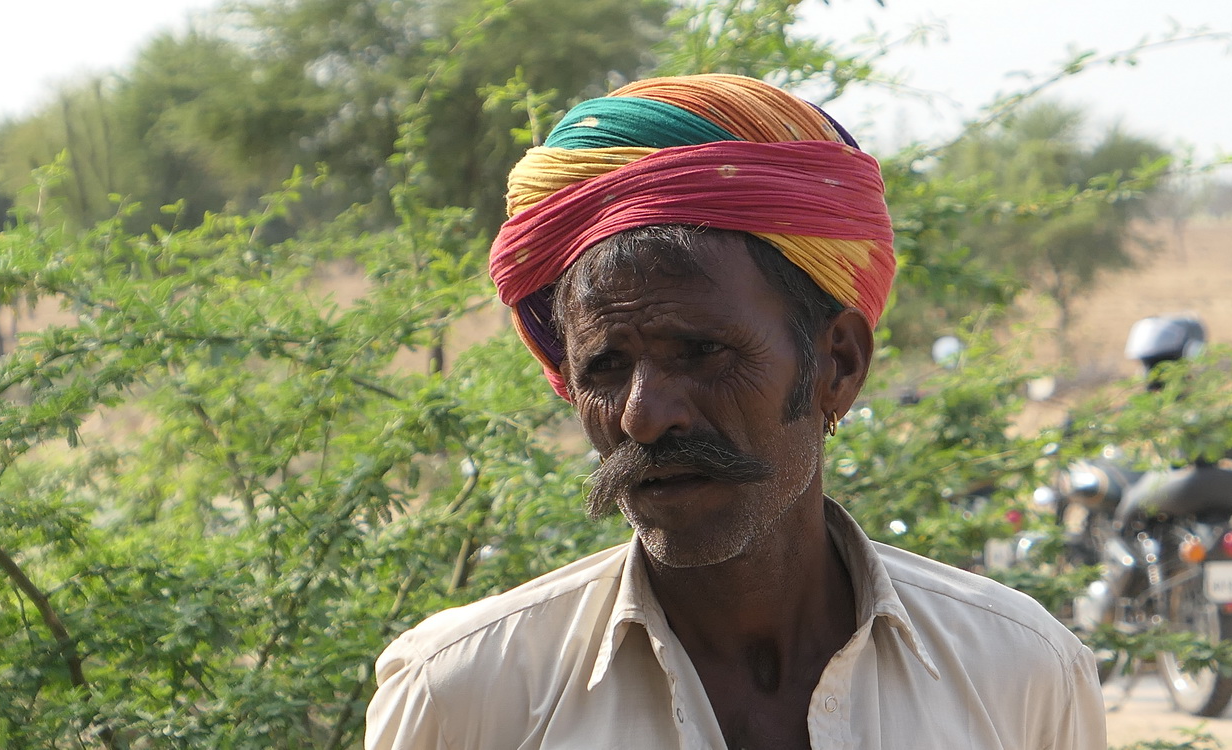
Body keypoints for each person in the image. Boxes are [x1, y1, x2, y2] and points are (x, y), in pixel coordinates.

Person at [366, 74, 1106, 749]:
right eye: (604, 367)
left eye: (701, 353)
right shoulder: (467, 694)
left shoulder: (1016, 673)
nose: (643, 418)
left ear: (838, 366)